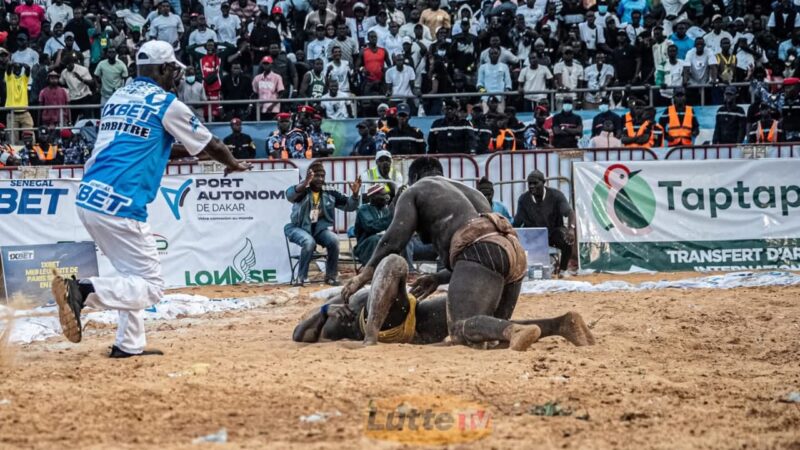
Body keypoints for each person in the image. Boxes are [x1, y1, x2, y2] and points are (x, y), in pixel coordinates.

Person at [50, 40, 251, 358]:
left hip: (89, 197)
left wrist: (194, 153)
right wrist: (234, 164)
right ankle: (83, 291)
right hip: (120, 203)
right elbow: (212, 143)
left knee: (132, 277)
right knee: (151, 287)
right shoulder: (165, 102)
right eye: (172, 69)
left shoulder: (118, 96)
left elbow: (153, 142)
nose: (175, 75)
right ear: (162, 68)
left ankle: (128, 345)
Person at [339, 157, 552, 351]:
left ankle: (516, 331)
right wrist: (439, 277)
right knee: (488, 332)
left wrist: (363, 275)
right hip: (513, 249)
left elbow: (393, 240)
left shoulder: (415, 190)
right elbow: (483, 258)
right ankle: (562, 324)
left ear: (414, 177)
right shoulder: (471, 192)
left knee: (460, 329)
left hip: (480, 248)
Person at [294, 254, 594, 347]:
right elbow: (299, 334)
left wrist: (439, 277)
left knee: (466, 320)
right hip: (382, 324)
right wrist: (323, 311)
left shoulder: (343, 299)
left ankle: (560, 324)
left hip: (417, 318)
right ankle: (370, 340)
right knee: (395, 262)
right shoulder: (332, 317)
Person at [284, 162, 361, 286]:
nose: (320, 179)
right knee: (309, 242)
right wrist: (305, 183)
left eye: (322, 176)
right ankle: (301, 277)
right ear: (310, 176)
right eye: (317, 176)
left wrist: (355, 195)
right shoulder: (303, 189)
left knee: (334, 240)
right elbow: (289, 196)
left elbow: (349, 206)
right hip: (297, 228)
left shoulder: (330, 191)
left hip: (318, 229)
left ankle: (331, 277)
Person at [512, 170, 576, 276]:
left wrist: (571, 229)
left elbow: (570, 213)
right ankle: (522, 272)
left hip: (553, 232)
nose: (532, 186)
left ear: (543, 182)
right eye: (529, 184)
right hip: (533, 235)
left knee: (567, 240)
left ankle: (563, 270)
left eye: (535, 183)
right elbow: (517, 222)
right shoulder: (523, 199)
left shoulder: (556, 195)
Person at [353, 184, 393, 265]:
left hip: (383, 243)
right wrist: (390, 217)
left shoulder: (385, 210)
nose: (386, 197)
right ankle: (372, 269)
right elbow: (371, 227)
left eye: (386, 194)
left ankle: (408, 268)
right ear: (373, 197)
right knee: (375, 239)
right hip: (365, 246)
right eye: (383, 195)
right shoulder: (363, 209)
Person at [5, 62, 34, 141]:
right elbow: (8, 67)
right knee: (13, 140)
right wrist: (13, 64)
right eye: (16, 68)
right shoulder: (9, 78)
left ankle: (30, 151)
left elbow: (28, 68)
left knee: (30, 136)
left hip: (24, 112)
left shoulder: (24, 79)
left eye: (19, 68)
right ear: (13, 69)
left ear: (21, 70)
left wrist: (22, 64)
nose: (18, 70)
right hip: (12, 113)